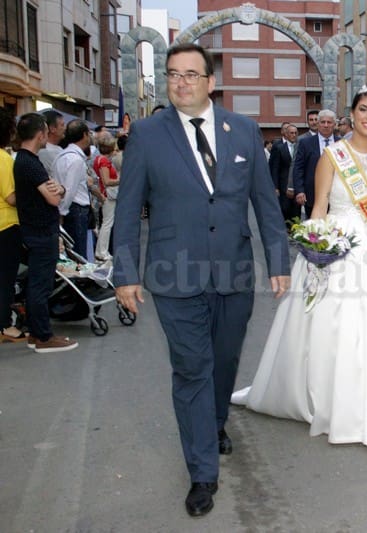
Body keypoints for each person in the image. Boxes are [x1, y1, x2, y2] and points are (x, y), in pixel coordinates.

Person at [112, 43, 291, 518]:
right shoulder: (147, 134)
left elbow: (265, 202)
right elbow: (127, 209)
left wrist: (279, 261)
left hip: (234, 271)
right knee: (192, 368)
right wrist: (124, 272)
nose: (181, 82)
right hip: (173, 275)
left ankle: (214, 422)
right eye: (173, 74)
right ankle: (202, 471)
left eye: (191, 74)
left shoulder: (244, 131)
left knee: (224, 361)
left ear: (211, 82)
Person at [231, 84, 367, 445]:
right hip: (343, 243)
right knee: (341, 326)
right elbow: (319, 206)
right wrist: (315, 251)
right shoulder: (333, 156)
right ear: (353, 114)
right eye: (364, 110)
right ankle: (340, 403)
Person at [13, 113, 77, 353]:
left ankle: (35, 332)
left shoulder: (24, 160)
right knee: (41, 285)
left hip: (35, 230)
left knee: (38, 284)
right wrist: (60, 190)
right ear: (40, 134)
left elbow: (53, 190)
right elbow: (53, 197)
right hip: (40, 233)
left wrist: (59, 189)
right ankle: (43, 336)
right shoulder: (30, 163)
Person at [53, 119, 94, 259]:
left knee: (71, 252)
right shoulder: (75, 159)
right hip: (75, 210)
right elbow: (69, 190)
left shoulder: (61, 156)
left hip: (67, 208)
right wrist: (62, 212)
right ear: (84, 135)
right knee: (78, 254)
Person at [0, 109, 24, 342]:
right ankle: (4, 325)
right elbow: (11, 197)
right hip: (5, 226)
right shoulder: (4, 159)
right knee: (5, 278)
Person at [293, 109, 338, 216]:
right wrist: (299, 190)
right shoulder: (306, 143)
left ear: (334, 124)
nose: (326, 125)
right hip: (312, 195)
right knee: (315, 225)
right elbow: (298, 168)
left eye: (329, 122)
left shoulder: (342, 143)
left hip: (337, 195)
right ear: (318, 124)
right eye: (323, 122)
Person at [92, 131, 119, 262]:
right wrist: (121, 180)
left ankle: (101, 251)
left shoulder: (98, 159)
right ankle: (102, 252)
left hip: (104, 193)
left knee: (106, 223)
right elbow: (107, 181)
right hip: (108, 194)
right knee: (107, 223)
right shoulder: (104, 161)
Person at [270, 123, 299, 221]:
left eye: (295, 133)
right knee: (285, 210)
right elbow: (275, 169)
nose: (294, 135)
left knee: (296, 212)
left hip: (297, 185)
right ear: (286, 134)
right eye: (291, 133)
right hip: (283, 186)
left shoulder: (300, 148)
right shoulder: (279, 148)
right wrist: (275, 187)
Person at [37, 110, 65, 177]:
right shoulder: (44, 151)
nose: (65, 128)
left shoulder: (58, 148)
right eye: (62, 125)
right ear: (52, 129)